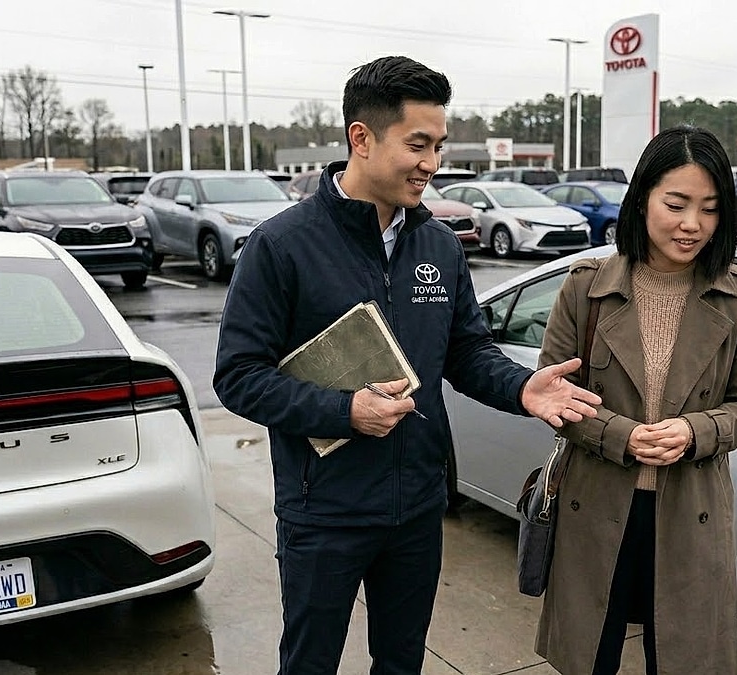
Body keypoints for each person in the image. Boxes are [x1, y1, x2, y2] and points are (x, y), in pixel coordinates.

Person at [213, 55, 604, 675]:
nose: (431, 164)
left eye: (438, 146)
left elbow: (466, 351)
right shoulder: (282, 245)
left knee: (401, 663)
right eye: (417, 145)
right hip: (325, 513)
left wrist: (523, 389)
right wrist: (346, 411)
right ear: (360, 139)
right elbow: (237, 377)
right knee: (309, 663)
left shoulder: (437, 243)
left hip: (418, 507)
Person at [534, 125, 737, 675]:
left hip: (690, 511)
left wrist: (695, 432)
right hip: (596, 506)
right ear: (642, 197)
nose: (692, 225)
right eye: (677, 203)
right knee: (590, 656)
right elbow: (555, 392)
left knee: (683, 658)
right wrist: (621, 435)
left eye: (710, 209)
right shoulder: (586, 284)